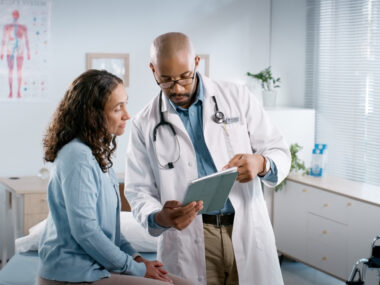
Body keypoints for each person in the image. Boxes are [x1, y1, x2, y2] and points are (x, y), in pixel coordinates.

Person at [124, 32, 291, 285]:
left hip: (243, 226)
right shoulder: (143, 123)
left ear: (197, 63)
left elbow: (277, 149)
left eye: (184, 77)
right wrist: (160, 216)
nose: (177, 88)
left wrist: (260, 163)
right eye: (166, 80)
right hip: (189, 236)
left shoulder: (237, 97)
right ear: (152, 70)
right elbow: (138, 191)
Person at [39, 69, 193, 285]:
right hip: (72, 273)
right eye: (117, 108)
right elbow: (86, 232)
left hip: (96, 267)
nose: (127, 115)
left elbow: (111, 231)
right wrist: (136, 269)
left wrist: (137, 258)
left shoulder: (97, 154)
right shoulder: (77, 156)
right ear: (92, 114)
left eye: (125, 104)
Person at [0, 10, 30, 98]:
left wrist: (28, 52)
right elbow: (4, 40)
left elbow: (27, 40)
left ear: (18, 16)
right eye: (14, 15)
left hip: (20, 52)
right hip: (10, 51)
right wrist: (1, 52)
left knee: (19, 71)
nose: (15, 16)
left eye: (16, 15)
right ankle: (11, 91)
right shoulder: (7, 27)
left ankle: (18, 91)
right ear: (12, 16)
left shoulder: (23, 28)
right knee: (10, 71)